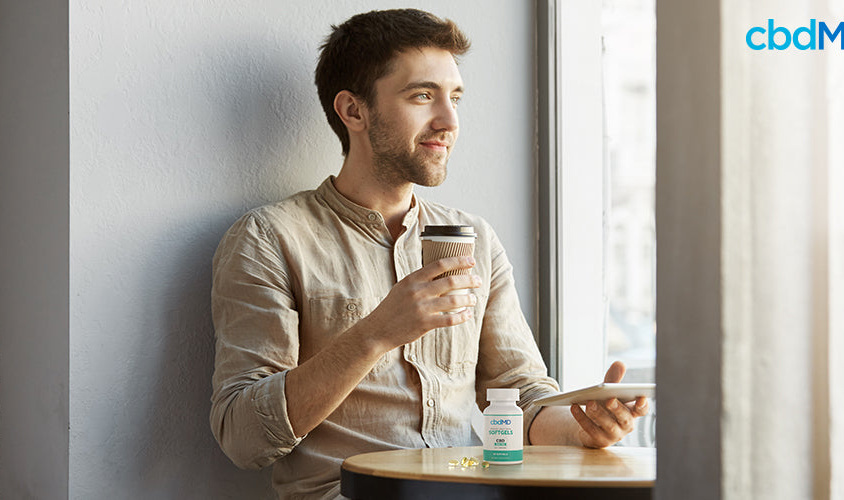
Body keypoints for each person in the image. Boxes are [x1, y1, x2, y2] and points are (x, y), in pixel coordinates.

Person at [209, 8, 648, 500]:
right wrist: (377, 332)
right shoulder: (269, 239)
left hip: (470, 489)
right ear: (354, 111)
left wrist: (582, 429)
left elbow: (520, 393)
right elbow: (242, 435)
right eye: (423, 96)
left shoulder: (476, 238)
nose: (449, 121)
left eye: (455, 98)